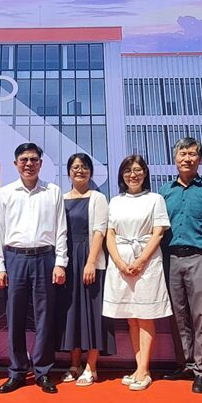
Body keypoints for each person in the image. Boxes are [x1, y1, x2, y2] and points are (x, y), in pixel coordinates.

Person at [0, 143, 68, 394]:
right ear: (16, 163)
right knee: (14, 316)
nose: (29, 164)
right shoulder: (5, 193)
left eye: (34, 159)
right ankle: (16, 371)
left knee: (44, 317)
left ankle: (43, 371)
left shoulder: (53, 191)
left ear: (41, 164)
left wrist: (60, 262)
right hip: (15, 258)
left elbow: (61, 229)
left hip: (45, 258)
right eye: (24, 159)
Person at [158, 137, 202, 394]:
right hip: (171, 258)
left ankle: (201, 371)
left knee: (201, 316)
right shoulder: (164, 191)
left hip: (201, 257)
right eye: (182, 154)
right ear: (175, 158)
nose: (187, 158)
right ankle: (184, 364)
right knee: (177, 315)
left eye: (192, 154)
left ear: (200, 159)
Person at [104, 155, 172, 391]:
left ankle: (144, 369)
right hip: (121, 262)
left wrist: (141, 260)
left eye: (137, 170)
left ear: (145, 173)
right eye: (128, 171)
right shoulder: (115, 201)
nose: (132, 175)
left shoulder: (155, 199)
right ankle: (138, 367)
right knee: (131, 317)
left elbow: (159, 232)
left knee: (145, 315)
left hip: (147, 261)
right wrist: (119, 262)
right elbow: (110, 234)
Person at [56, 153, 115, 387]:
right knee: (71, 313)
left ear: (90, 172)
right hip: (67, 261)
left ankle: (91, 366)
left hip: (90, 260)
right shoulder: (61, 199)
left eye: (84, 167)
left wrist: (91, 262)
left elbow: (100, 231)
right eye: (75, 167)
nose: (79, 170)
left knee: (92, 313)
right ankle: (74, 364)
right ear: (69, 172)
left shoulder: (98, 198)